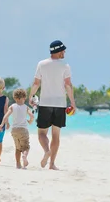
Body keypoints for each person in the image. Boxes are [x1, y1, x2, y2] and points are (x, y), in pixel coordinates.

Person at [28, 40, 77, 170]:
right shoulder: (65, 65)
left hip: (45, 103)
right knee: (56, 135)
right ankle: (52, 164)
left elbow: (36, 83)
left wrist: (31, 96)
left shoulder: (41, 64)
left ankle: (46, 151)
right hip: (60, 104)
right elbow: (68, 85)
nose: (64, 53)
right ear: (58, 51)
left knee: (42, 133)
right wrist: (72, 103)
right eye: (63, 50)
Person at [0, 88, 34, 169]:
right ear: (24, 98)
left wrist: (2, 124)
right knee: (26, 147)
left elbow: (6, 116)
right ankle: (24, 156)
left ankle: (18, 164)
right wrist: (30, 121)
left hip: (14, 130)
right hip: (23, 130)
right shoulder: (26, 107)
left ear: (14, 98)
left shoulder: (12, 106)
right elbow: (32, 116)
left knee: (17, 148)